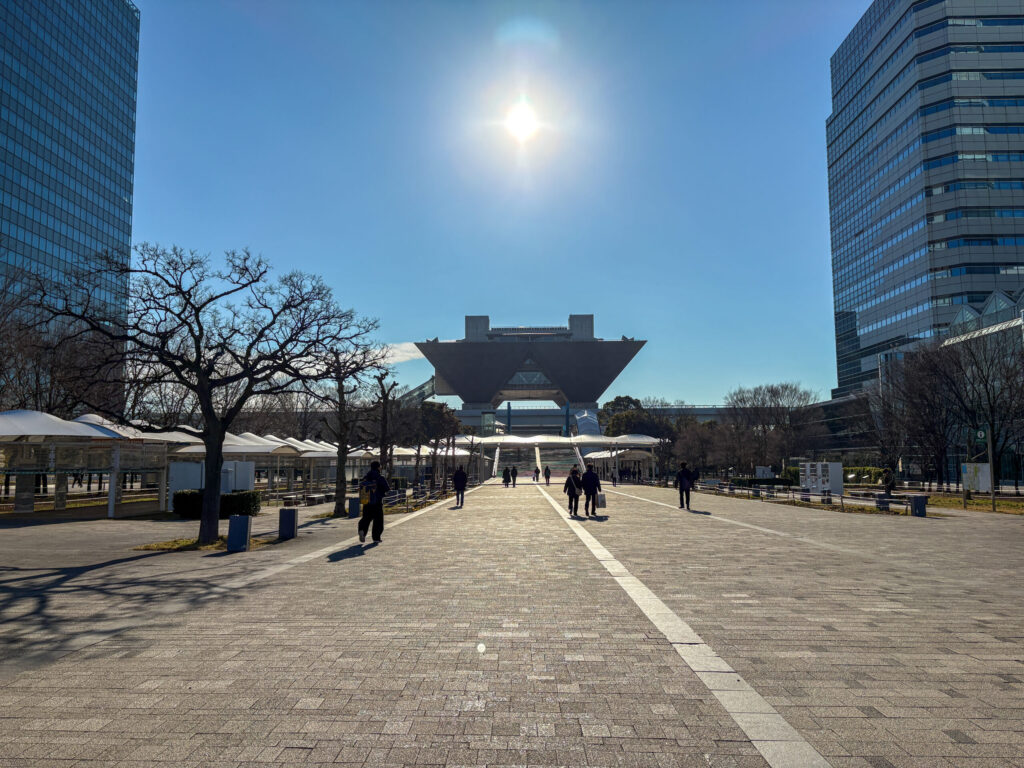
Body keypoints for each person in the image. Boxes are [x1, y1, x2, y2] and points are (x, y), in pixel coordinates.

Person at [358, 460, 390, 544]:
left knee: (366, 518)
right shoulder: (380, 477)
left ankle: (362, 530)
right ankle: (376, 537)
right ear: (378, 467)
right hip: (377, 502)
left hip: (366, 501)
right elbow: (387, 488)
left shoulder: (366, 477)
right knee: (378, 520)